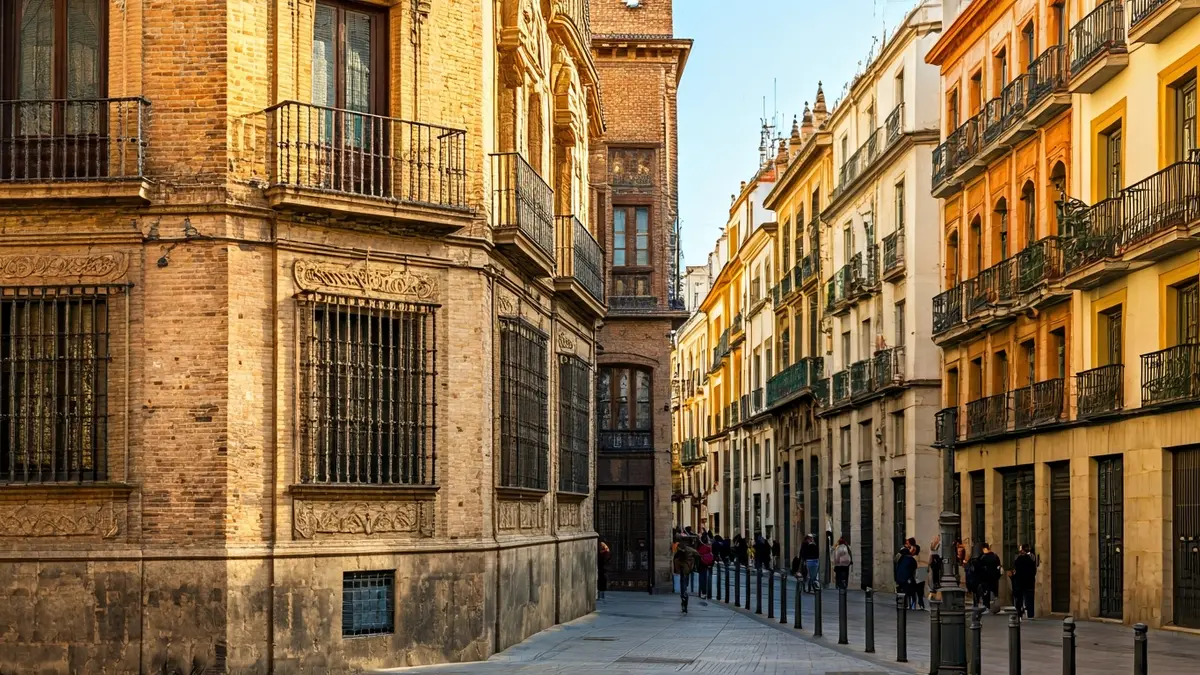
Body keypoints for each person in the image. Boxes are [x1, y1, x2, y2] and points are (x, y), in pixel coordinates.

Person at [673, 535, 699, 613]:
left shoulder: (679, 551)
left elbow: (675, 559)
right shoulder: (690, 550)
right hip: (686, 571)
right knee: (684, 586)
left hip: (681, 572)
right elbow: (698, 555)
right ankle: (684, 600)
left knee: (683, 586)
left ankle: (684, 600)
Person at [1011, 544, 1037, 620]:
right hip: (1029, 581)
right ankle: (1030, 614)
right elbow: (1033, 571)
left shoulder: (1018, 560)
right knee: (1029, 598)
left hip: (1019, 581)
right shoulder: (1031, 560)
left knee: (1019, 598)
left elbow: (1015, 570)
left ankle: (1019, 613)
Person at [979, 543, 1003, 612]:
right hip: (994, 578)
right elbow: (999, 567)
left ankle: (987, 606)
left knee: (986, 593)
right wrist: (997, 576)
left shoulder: (983, 557)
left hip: (985, 578)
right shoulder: (995, 556)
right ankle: (995, 606)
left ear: (985, 549)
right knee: (995, 592)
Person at [908, 538, 927, 610]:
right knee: (920, 589)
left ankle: (915, 603)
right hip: (922, 570)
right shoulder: (919, 554)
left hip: (917, 571)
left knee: (914, 588)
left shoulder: (913, 557)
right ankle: (920, 602)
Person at [697, 535, 715, 600]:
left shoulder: (699, 547)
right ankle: (707, 593)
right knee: (707, 579)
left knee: (701, 579)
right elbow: (711, 556)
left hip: (701, 564)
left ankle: (702, 592)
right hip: (707, 565)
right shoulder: (708, 547)